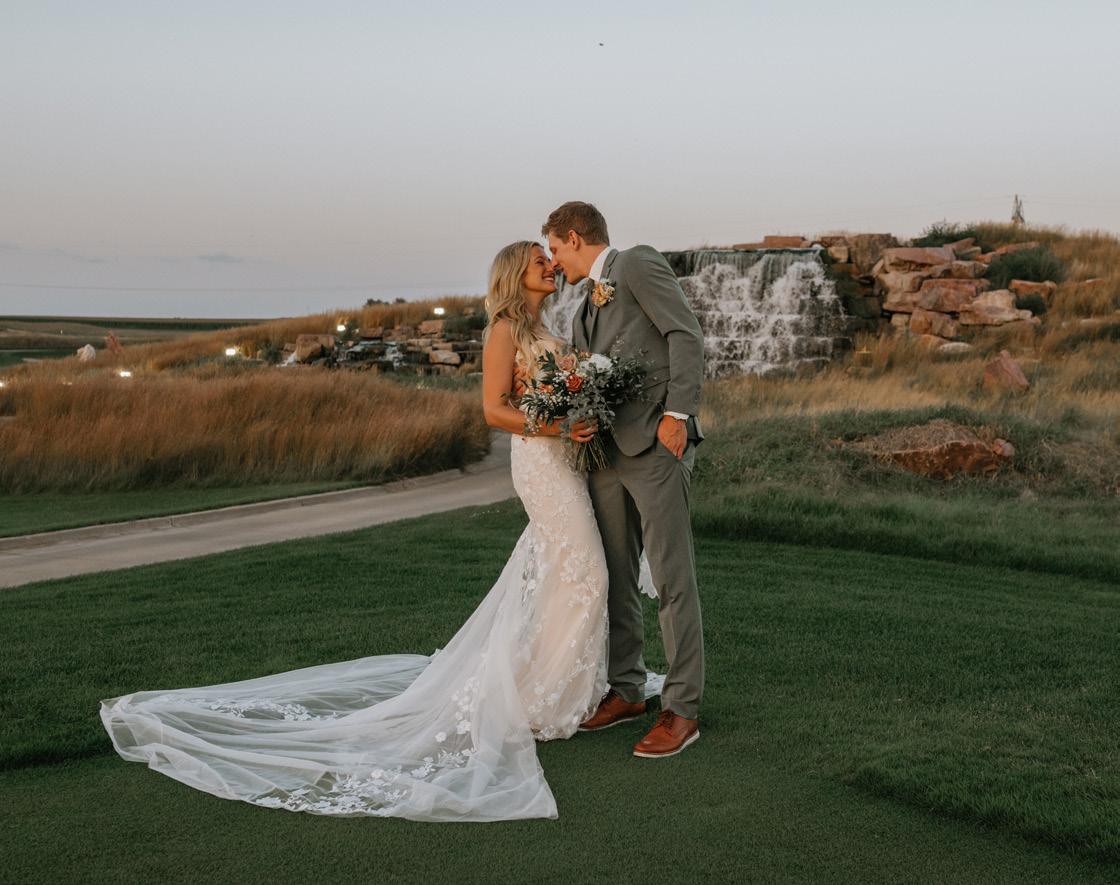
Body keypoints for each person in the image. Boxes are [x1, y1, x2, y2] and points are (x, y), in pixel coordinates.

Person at [99, 240, 656, 822]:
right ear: (517, 274)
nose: (550, 266)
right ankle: (546, 700)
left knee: (563, 573)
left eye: (550, 258)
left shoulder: (547, 325)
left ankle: (562, 685)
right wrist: (558, 427)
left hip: (565, 460)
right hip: (541, 462)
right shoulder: (503, 330)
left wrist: (577, 408)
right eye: (540, 261)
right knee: (585, 571)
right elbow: (493, 411)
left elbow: (549, 391)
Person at [543, 201, 706, 759]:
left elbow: (685, 333)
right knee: (614, 574)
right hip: (606, 455)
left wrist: (678, 414)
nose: (553, 261)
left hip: (656, 447)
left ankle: (682, 709)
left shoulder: (636, 263)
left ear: (574, 237)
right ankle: (628, 689)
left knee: (671, 578)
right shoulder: (584, 302)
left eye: (555, 249)